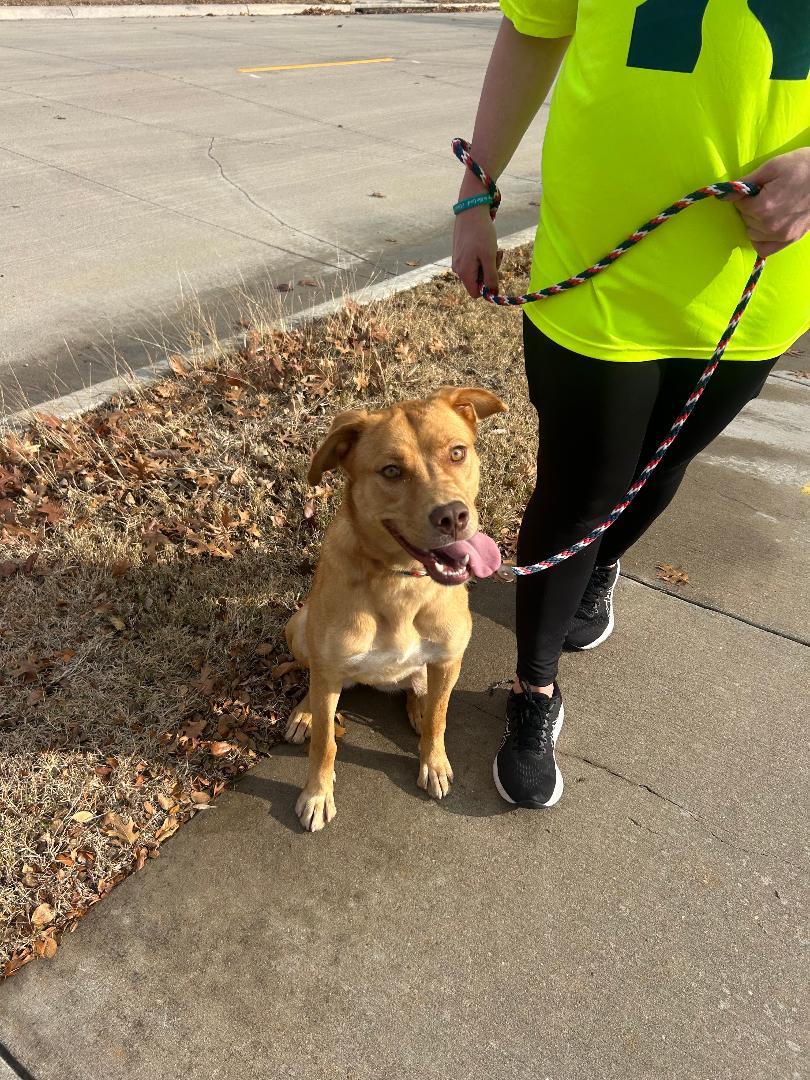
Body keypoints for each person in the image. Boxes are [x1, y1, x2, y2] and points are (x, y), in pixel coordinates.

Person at [452, 1, 810, 809]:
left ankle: (603, 564)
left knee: (663, 461)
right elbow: (534, 28)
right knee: (579, 485)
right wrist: (476, 194)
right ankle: (535, 690)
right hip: (599, 266)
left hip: (756, 287)